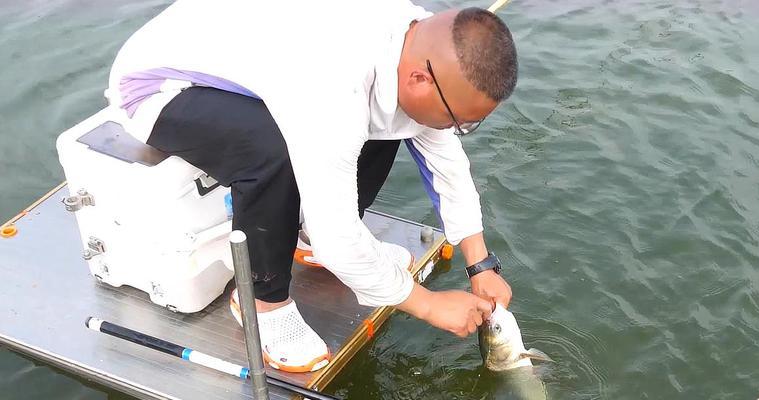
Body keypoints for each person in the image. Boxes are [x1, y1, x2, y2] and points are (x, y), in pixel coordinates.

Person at [107, 0, 518, 373]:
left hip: (267, 66)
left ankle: (304, 236)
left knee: (400, 122)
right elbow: (339, 238)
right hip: (160, 86)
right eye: (460, 121)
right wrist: (426, 304)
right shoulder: (334, 85)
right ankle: (261, 301)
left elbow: (443, 156)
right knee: (272, 154)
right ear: (420, 79)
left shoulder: (422, 41)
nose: (457, 130)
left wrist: (478, 263)